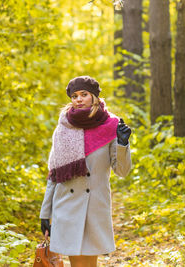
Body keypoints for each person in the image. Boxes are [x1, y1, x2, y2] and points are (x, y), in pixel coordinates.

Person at [39, 76, 132, 267]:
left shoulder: (112, 125)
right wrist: (45, 213)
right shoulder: (64, 126)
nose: (79, 99)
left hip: (94, 206)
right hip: (66, 204)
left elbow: (122, 171)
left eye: (84, 94)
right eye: (74, 96)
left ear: (94, 96)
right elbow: (54, 173)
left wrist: (123, 144)